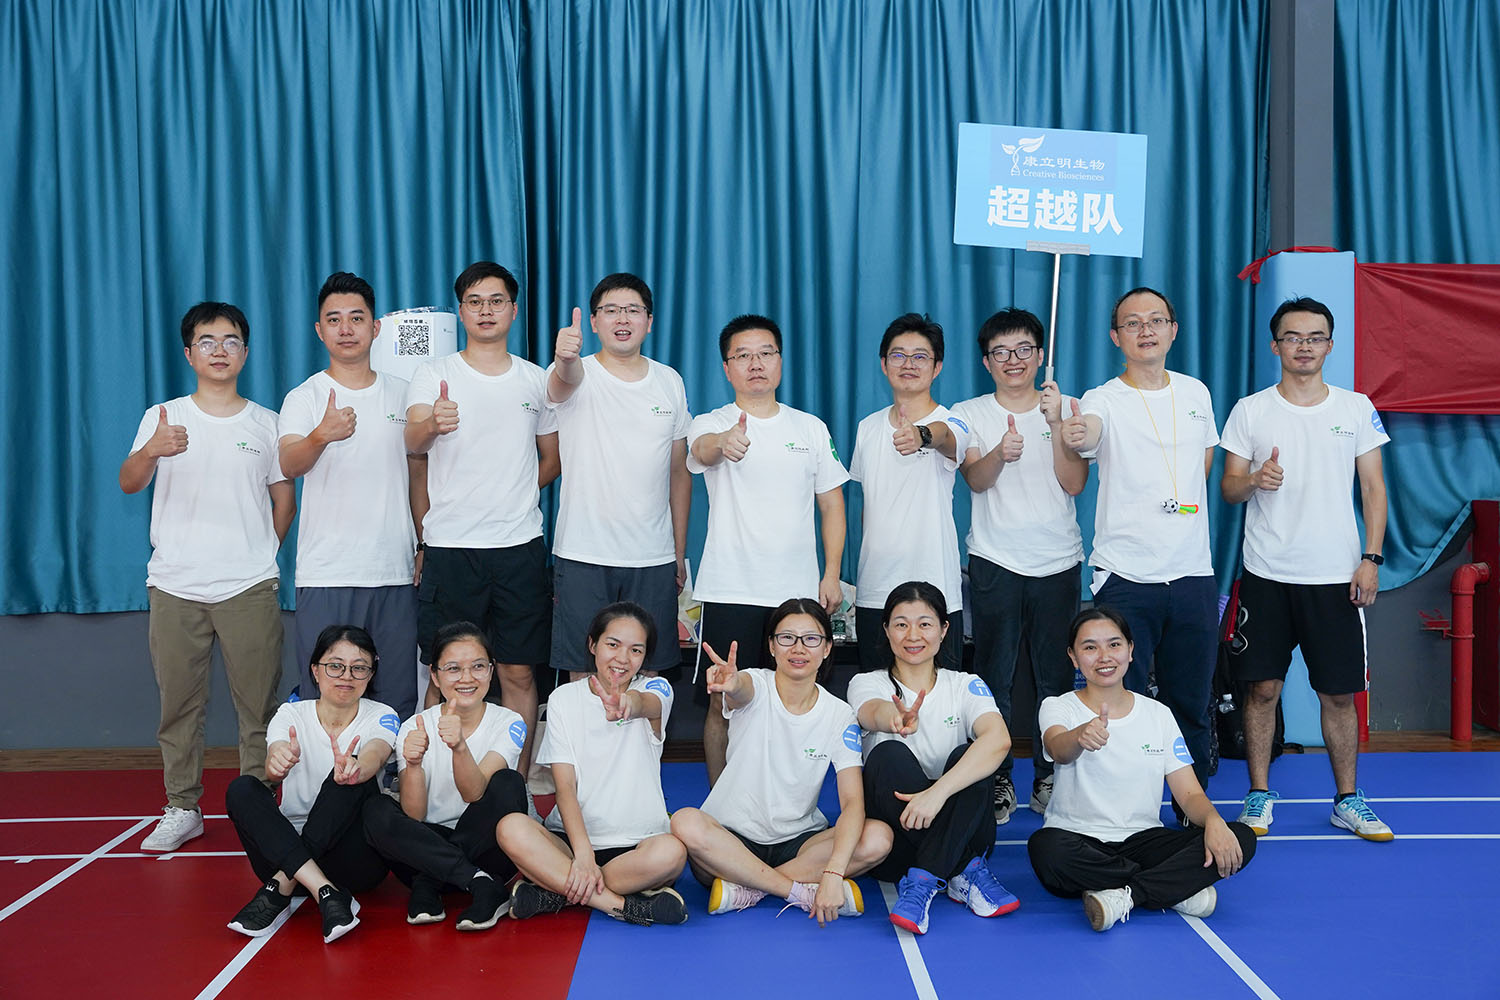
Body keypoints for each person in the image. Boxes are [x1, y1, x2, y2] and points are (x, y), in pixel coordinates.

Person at [119, 301, 295, 853]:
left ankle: (258, 808)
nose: (220, 351)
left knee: (259, 709)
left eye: (231, 341)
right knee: (179, 707)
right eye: (207, 341)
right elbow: (129, 482)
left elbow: (284, 498)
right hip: (175, 585)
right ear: (189, 352)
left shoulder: (267, 423)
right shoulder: (163, 416)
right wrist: (152, 450)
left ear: (246, 351)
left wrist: (261, 551)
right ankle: (182, 806)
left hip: (248, 586)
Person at [1220, 296, 1393, 841]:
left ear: (1330, 345)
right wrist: (1255, 481)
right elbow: (1228, 488)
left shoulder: (1356, 408)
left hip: (1336, 578)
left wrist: (1371, 558)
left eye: (1315, 337)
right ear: (1276, 346)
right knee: (1261, 690)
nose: (1304, 347)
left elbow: (1374, 488)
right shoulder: (1251, 409)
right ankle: (1258, 794)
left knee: (1338, 695)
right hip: (1266, 574)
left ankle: (1348, 799)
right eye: (1293, 337)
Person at [1059, 287, 1220, 800]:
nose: (1145, 330)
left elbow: (1202, 465)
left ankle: (1192, 812)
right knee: (1120, 701)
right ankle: (1124, 811)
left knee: (1191, 703)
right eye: (1132, 323)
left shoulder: (1196, 393)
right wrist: (1074, 432)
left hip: (1192, 573)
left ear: (1173, 330)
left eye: (1156, 320)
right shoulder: (1102, 399)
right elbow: (1088, 435)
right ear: (1116, 337)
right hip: (1126, 576)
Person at [405, 262, 559, 771]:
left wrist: (513, 490)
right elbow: (411, 441)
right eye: (475, 301)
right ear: (461, 311)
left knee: (518, 673)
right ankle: (432, 780)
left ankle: (515, 784)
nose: (486, 310)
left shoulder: (536, 380)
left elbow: (552, 458)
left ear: (513, 310)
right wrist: (432, 423)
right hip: (452, 549)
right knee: (444, 673)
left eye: (496, 301)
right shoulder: (435, 375)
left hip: (518, 548)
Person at [688, 314, 848, 786]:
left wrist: (831, 572)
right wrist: (724, 442)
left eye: (765, 353)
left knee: (791, 701)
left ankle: (786, 800)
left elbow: (832, 505)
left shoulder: (810, 428)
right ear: (727, 367)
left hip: (795, 595)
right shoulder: (712, 422)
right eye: (743, 355)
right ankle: (721, 804)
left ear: (780, 361)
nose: (755, 363)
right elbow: (701, 449)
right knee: (723, 699)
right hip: (730, 589)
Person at [1027, 609, 1256, 932]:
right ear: (1073, 657)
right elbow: (1057, 748)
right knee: (1045, 849)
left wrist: (1214, 821)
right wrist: (1079, 737)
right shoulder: (1059, 706)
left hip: (1144, 840)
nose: (1104, 656)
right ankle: (1173, 889)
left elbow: (1189, 793)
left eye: (1114, 644)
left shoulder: (1158, 714)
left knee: (1242, 837)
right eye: (1090, 647)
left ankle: (1127, 895)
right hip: (1077, 837)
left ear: (1131, 650)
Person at [670, 599, 893, 926]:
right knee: (685, 822)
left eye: (811, 639)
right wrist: (731, 684)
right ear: (772, 646)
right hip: (732, 840)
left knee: (878, 837)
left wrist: (833, 872)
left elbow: (852, 804)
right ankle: (797, 890)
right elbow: (740, 689)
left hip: (800, 844)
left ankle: (748, 888)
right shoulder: (755, 683)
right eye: (787, 638)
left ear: (827, 648)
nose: (798, 648)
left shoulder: (840, 714)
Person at [952, 307, 1087, 822]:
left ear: (1040, 355)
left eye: (1024, 349)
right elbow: (975, 480)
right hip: (995, 561)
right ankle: (998, 777)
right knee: (995, 677)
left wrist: (1055, 425)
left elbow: (1075, 484)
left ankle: (1050, 775)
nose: (1014, 360)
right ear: (987, 362)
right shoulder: (969, 411)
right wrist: (999, 454)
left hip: (1058, 561)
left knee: (1055, 677)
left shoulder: (1067, 407)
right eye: (1001, 352)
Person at [278, 272, 424, 722]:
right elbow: (289, 464)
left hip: (393, 569)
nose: (346, 329)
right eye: (334, 319)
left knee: (396, 692)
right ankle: (324, 766)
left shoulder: (404, 393)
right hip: (327, 570)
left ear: (375, 327)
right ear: (319, 330)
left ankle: (393, 765)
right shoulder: (305, 397)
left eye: (356, 318)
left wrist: (424, 543)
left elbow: (418, 474)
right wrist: (321, 435)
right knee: (326, 693)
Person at [494, 602, 690, 926]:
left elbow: (648, 704)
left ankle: (557, 892)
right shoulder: (563, 699)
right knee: (510, 827)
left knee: (673, 853)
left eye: (636, 650)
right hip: (571, 842)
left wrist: (628, 703)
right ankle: (621, 906)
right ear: (592, 644)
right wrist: (583, 855)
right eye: (613, 644)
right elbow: (564, 787)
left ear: (645, 657)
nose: (623, 658)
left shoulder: (656, 689)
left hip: (638, 846)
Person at [847, 582, 1018, 935]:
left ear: (943, 630)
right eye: (901, 624)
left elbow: (999, 739)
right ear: (886, 630)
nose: (913, 635)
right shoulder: (867, 683)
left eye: (925, 624)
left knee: (970, 756)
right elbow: (871, 712)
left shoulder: (965, 684)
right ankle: (961, 871)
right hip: (898, 841)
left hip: (963, 829)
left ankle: (923, 880)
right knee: (888, 754)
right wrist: (894, 719)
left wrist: (936, 793)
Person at [546, 273, 692, 679]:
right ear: (594, 322)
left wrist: (678, 552)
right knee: (583, 673)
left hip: (653, 556)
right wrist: (565, 359)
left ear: (649, 321)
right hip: (584, 554)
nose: (622, 319)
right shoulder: (576, 371)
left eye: (632, 310)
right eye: (610, 310)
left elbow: (678, 472)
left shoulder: (669, 381)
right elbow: (561, 385)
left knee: (651, 674)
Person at [223, 625, 397, 943]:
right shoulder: (290, 714)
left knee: (349, 773)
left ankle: (280, 888)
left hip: (353, 863)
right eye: (335, 666)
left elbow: (376, 753)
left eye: (359, 668)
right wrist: (277, 762)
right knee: (243, 788)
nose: (346, 676)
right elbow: (275, 757)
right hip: (284, 849)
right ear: (315, 670)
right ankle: (326, 892)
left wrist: (357, 767)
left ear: (371, 674)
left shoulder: (382, 714)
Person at [362, 622, 529, 930]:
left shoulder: (509, 722)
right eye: (453, 668)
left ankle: (429, 884)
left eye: (478, 666)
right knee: (375, 808)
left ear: (491, 671)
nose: (467, 677)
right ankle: (479, 884)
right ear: (435, 676)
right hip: (425, 848)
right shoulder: (414, 725)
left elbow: (474, 793)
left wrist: (459, 747)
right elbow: (415, 814)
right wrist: (413, 764)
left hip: (485, 852)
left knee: (509, 783)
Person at [850, 314, 970, 675]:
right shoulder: (867, 428)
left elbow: (945, 436)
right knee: (876, 694)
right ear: (884, 364)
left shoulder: (954, 420)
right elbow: (868, 503)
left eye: (920, 356)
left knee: (941, 696)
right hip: (875, 589)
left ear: (937, 367)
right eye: (899, 355)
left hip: (936, 588)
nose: (909, 364)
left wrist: (921, 436)